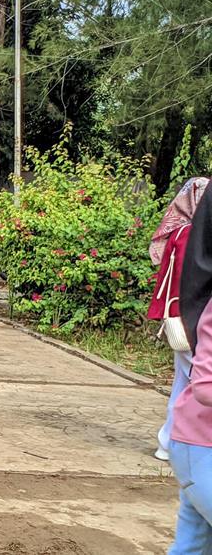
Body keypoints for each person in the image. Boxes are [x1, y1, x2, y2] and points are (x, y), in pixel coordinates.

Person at [147, 177, 209, 461]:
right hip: (195, 319)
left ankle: (168, 442)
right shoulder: (193, 235)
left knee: (183, 381)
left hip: (180, 315)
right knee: (194, 383)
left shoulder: (178, 232)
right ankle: (173, 442)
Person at [167, 184, 212, 553]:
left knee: (192, 544)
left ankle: (166, 441)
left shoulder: (184, 233)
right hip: (201, 442)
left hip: (185, 319)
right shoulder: (183, 235)